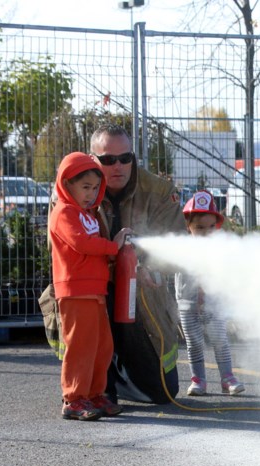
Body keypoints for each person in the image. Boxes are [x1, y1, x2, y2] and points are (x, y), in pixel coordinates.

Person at [89, 123, 188, 404]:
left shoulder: (158, 191)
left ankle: (118, 374)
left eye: (125, 158)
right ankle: (92, 378)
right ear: (92, 160)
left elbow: (177, 245)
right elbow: (60, 249)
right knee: (95, 393)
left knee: (161, 393)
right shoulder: (73, 189)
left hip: (140, 298)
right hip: (92, 294)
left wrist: (151, 266)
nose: (118, 166)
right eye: (108, 160)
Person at [48, 151, 133, 420]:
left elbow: (93, 246)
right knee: (81, 346)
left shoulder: (88, 214)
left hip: (95, 291)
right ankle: (74, 398)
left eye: (95, 188)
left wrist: (112, 247)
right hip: (74, 291)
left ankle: (95, 394)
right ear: (66, 184)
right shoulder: (64, 212)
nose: (91, 193)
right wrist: (112, 246)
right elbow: (81, 244)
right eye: (85, 187)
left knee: (101, 346)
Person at [174, 190, 245, 396]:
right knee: (194, 342)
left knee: (220, 340)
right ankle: (198, 380)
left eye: (211, 227)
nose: (207, 232)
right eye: (200, 227)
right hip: (188, 304)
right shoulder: (181, 248)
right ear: (188, 227)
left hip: (215, 304)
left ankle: (227, 378)